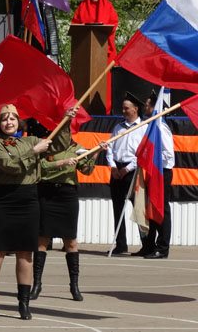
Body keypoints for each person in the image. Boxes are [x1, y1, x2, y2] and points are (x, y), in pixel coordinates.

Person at [0, 104, 57, 321]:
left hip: (29, 199)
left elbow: (56, 145)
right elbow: (11, 166)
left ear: (19, 121)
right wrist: (34, 152)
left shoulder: (31, 139)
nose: (9, 123)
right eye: (4, 119)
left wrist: (64, 120)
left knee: (25, 253)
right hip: (5, 199)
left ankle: (24, 304)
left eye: (12, 118)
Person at [29, 110, 99, 302]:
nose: (62, 134)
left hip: (67, 195)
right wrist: (62, 162)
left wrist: (96, 153)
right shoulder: (46, 146)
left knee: (71, 242)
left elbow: (87, 170)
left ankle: (74, 286)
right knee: (42, 240)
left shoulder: (77, 148)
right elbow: (40, 167)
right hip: (47, 192)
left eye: (65, 130)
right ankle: (37, 284)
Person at [105, 92, 145, 256]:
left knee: (139, 208)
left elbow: (143, 153)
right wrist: (113, 167)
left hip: (133, 170)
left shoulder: (144, 127)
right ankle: (121, 244)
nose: (123, 111)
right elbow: (109, 148)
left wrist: (127, 169)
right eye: (123, 108)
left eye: (126, 108)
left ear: (135, 109)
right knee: (117, 208)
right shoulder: (118, 127)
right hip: (117, 170)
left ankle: (146, 244)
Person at [136, 90, 175, 259]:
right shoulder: (151, 125)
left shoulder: (161, 127)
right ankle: (149, 245)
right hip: (151, 171)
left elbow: (168, 154)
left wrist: (153, 160)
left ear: (154, 106)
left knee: (161, 209)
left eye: (146, 104)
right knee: (148, 209)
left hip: (162, 171)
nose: (144, 107)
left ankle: (163, 247)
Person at [71, 0, 119, 112]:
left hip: (104, 53)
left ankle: (106, 109)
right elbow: (75, 24)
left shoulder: (108, 7)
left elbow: (114, 24)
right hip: (85, 54)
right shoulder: (82, 7)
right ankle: (83, 109)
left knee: (105, 82)